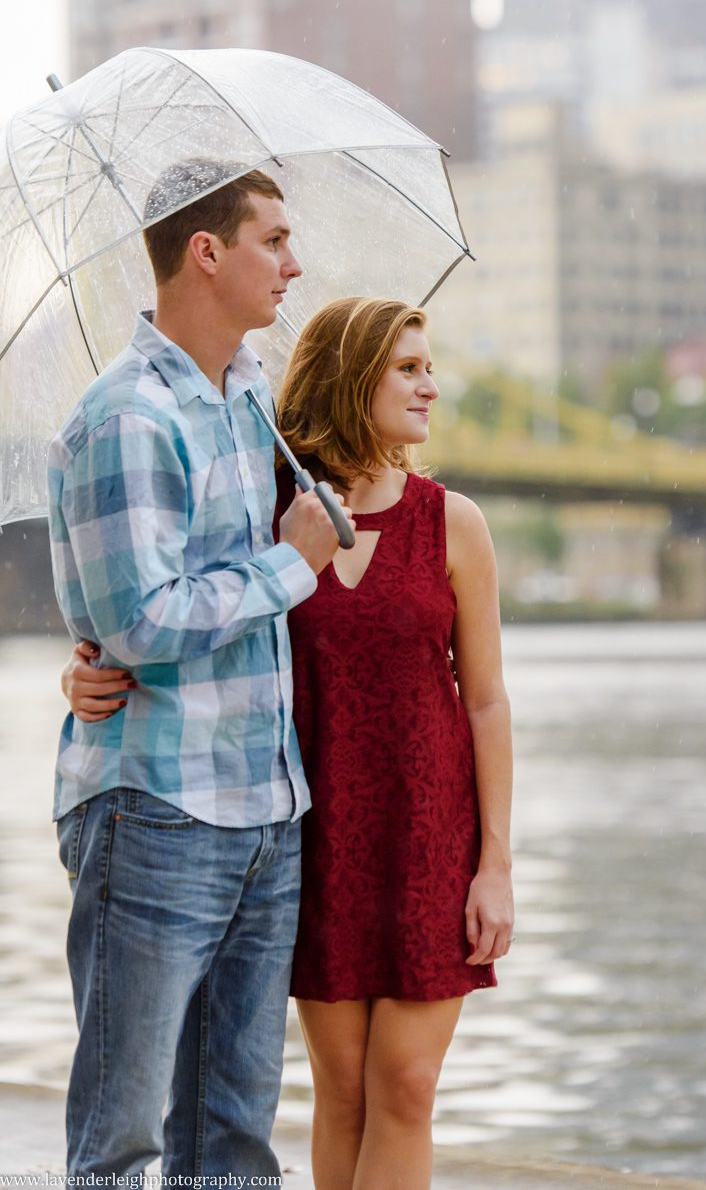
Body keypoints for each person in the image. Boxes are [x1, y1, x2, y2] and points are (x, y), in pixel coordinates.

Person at [65, 295, 514, 1190]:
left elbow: (488, 704)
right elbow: (168, 608)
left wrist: (495, 864)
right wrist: (82, 669)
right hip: (313, 833)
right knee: (341, 1091)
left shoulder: (451, 522)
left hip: (428, 836)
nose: (432, 385)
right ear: (354, 380)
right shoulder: (275, 513)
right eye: (409, 367)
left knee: (408, 1085)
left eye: (430, 366)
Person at [50, 162, 351, 1180]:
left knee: (232, 1141)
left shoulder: (249, 394)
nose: (292, 263)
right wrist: (290, 562)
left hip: (266, 809)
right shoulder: (126, 418)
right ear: (206, 252)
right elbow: (140, 621)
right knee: (120, 1138)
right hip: (160, 811)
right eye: (273, 239)